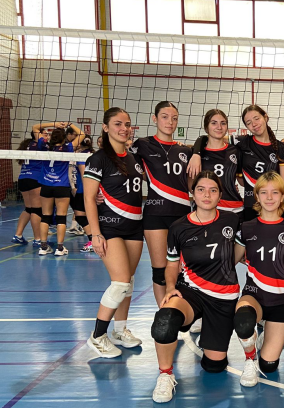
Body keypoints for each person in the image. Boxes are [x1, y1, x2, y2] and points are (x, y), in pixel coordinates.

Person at [149, 171, 243, 403]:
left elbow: (245, 247)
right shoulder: (178, 227)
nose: (206, 195)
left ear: (220, 195)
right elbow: (172, 263)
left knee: (214, 366)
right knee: (164, 322)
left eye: (213, 190)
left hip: (223, 297)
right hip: (191, 291)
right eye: (201, 189)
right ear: (193, 194)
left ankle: (209, 336)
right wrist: (170, 287)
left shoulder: (233, 221)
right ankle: (165, 375)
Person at [83, 107, 144, 358]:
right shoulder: (98, 159)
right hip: (109, 227)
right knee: (119, 282)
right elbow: (89, 198)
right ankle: (97, 336)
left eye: (127, 124)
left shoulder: (134, 158)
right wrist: (95, 234)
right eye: (118, 124)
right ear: (106, 127)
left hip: (135, 226)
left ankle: (120, 331)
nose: (124, 128)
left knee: (128, 282)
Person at [233, 172, 284, 387]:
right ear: (256, 196)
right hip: (253, 295)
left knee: (270, 365)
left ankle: (264, 337)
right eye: (264, 192)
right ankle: (249, 360)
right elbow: (230, 260)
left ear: (282, 196)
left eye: (275, 192)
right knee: (243, 322)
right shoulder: (246, 227)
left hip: (280, 300)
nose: (270, 197)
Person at [131, 102, 193, 306]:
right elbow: (125, 168)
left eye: (174, 118)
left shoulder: (185, 151)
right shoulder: (142, 145)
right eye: (165, 117)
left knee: (182, 269)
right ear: (155, 119)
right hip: (155, 214)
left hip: (183, 215)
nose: (170, 122)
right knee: (160, 271)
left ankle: (180, 309)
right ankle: (163, 313)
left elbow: (191, 184)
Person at [38, 124, 81, 256]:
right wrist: (69, 124)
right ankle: (60, 248)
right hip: (61, 186)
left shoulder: (44, 146)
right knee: (61, 217)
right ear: (64, 138)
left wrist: (54, 124)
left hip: (46, 185)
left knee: (45, 216)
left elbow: (35, 128)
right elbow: (81, 134)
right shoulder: (67, 148)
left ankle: (43, 247)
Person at [191, 110, 244, 215]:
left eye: (223, 123)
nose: (219, 127)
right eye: (214, 123)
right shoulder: (196, 153)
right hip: (206, 208)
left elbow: (241, 180)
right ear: (206, 127)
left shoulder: (235, 151)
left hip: (233, 208)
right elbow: (191, 184)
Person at [11, 135, 43, 245]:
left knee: (28, 209)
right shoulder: (40, 146)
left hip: (22, 178)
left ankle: (18, 235)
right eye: (44, 134)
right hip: (35, 179)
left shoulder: (27, 145)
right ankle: (38, 239)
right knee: (36, 210)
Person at [68, 137, 94, 252]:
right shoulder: (93, 154)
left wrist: (87, 193)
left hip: (84, 190)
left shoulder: (81, 156)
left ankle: (93, 240)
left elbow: (85, 175)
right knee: (88, 216)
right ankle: (94, 239)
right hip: (90, 189)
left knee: (80, 216)